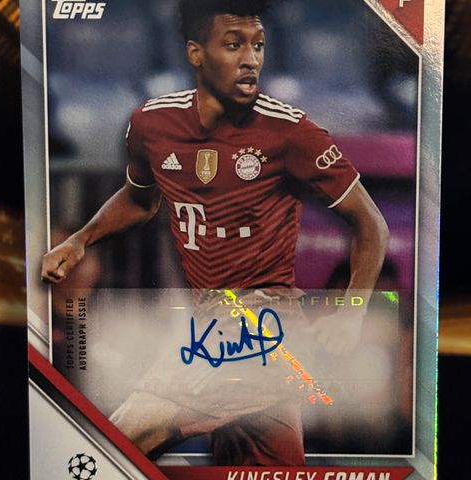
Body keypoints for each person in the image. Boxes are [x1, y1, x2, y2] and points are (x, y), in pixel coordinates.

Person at [42, 0, 389, 466]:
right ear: (196, 53)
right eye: (234, 44)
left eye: (258, 45)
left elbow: (370, 223)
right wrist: (80, 239)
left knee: (102, 453)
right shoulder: (152, 124)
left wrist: (351, 312)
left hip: (254, 330)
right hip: (221, 329)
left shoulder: (291, 133)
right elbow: (140, 200)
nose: (251, 58)